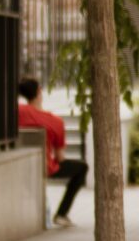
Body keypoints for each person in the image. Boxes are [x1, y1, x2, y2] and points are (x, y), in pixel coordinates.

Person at [17, 77, 87, 228]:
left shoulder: (17, 112)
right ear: (39, 92)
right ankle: (61, 214)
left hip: (18, 162)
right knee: (82, 167)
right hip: (46, 166)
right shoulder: (55, 121)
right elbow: (61, 158)